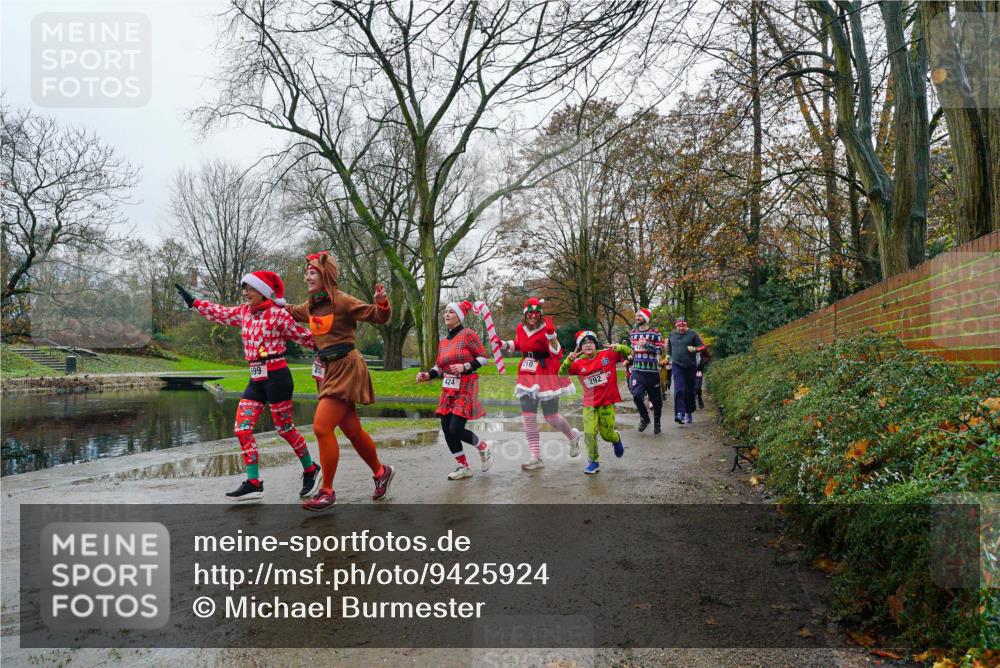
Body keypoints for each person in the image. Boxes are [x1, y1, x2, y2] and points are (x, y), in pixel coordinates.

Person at [175, 272, 319, 502]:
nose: (245, 293)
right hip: (256, 379)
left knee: (285, 429)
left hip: (278, 377)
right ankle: (253, 482)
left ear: (262, 291)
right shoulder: (244, 312)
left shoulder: (278, 315)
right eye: (244, 289)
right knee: (242, 429)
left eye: (249, 289)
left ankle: (310, 469)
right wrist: (194, 303)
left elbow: (304, 337)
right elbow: (220, 313)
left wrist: (333, 343)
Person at [286, 251, 396, 512]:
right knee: (352, 429)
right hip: (329, 368)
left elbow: (379, 317)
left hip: (347, 366)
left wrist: (382, 302)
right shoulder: (311, 306)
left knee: (322, 427)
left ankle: (327, 491)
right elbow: (291, 311)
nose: (307, 276)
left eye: (312, 272)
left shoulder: (343, 301)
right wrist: (268, 302)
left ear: (326, 275)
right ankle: (382, 472)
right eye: (307, 272)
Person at [416, 300, 495, 480]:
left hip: (467, 385)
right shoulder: (443, 342)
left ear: (459, 316)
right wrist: (428, 375)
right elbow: (440, 367)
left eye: (451, 312)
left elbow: (483, 358)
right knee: (446, 427)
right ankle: (463, 466)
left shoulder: (468, 334)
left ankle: (483, 447)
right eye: (445, 311)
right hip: (448, 388)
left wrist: (466, 366)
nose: (447, 314)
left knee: (456, 427)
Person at [501, 297, 580, 470]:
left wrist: (552, 337)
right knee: (528, 418)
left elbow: (557, 353)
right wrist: (504, 344)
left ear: (541, 315)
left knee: (551, 417)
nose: (533, 316)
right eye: (530, 313)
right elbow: (519, 344)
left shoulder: (547, 329)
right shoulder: (520, 328)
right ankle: (536, 457)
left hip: (546, 373)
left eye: (536, 313)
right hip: (527, 373)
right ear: (525, 314)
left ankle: (573, 436)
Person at [559, 331, 631, 474]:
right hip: (590, 404)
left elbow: (630, 353)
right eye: (584, 344)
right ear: (580, 347)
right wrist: (568, 361)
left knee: (606, 434)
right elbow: (561, 374)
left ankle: (615, 439)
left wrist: (620, 348)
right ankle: (593, 461)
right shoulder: (578, 363)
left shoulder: (607, 354)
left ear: (595, 344)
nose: (588, 345)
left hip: (607, 402)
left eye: (591, 342)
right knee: (589, 433)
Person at [627, 307, 665, 434]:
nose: (637, 318)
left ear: (646, 318)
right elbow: (633, 349)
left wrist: (647, 345)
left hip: (652, 372)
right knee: (636, 395)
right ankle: (645, 418)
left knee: (656, 401)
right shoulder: (632, 333)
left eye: (640, 316)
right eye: (636, 316)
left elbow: (660, 350)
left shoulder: (655, 333)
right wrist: (631, 356)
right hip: (637, 370)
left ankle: (657, 422)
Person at [667, 316, 707, 425]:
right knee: (679, 389)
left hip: (690, 366)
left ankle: (689, 412)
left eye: (683, 326)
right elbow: (669, 348)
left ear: (686, 325)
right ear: (676, 326)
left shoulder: (693, 334)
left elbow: (703, 346)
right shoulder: (672, 334)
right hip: (677, 365)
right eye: (678, 326)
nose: (680, 328)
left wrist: (695, 349)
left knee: (689, 390)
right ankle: (680, 413)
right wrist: (667, 356)